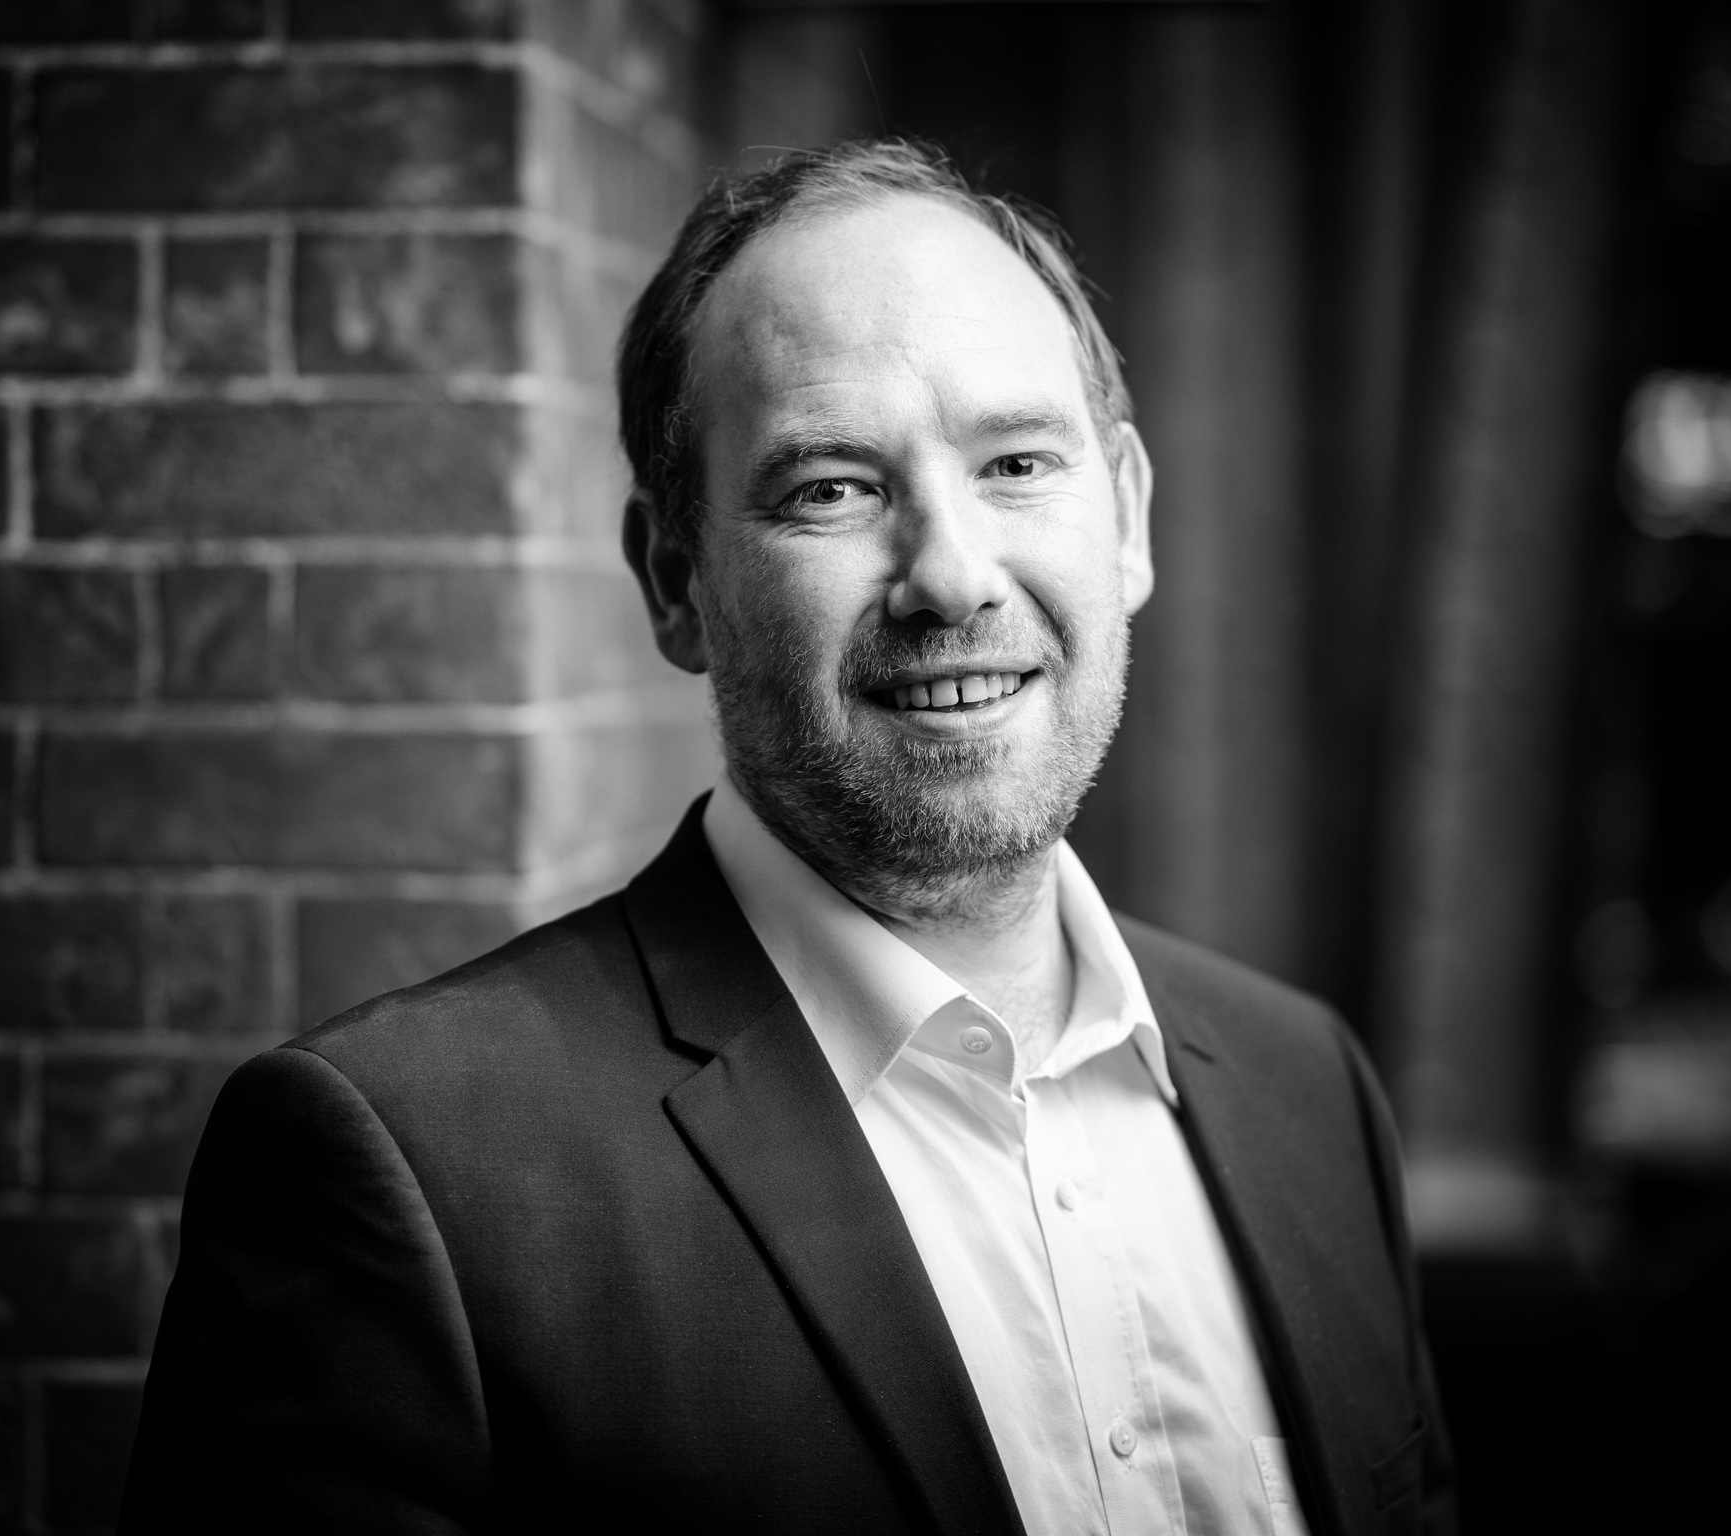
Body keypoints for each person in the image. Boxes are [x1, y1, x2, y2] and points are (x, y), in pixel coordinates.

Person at [120, 139, 1454, 1536]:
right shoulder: (403, 1170)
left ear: (1125, 516)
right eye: (832, 488)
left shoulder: (1310, 1090)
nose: (952, 577)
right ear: (675, 579)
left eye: (1015, 462)